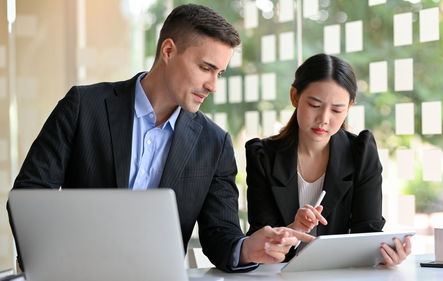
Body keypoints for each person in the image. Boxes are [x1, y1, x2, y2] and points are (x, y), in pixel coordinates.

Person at [10, 4, 313, 272]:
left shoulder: (214, 144)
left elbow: (220, 235)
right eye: (206, 68)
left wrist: (248, 249)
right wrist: (47, 264)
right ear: (168, 51)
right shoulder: (83, 107)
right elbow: (30, 194)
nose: (213, 86)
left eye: (219, 73)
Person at [245, 54, 411, 266]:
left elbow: (367, 233)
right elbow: (261, 239)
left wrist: (384, 256)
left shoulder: (361, 153)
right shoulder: (262, 156)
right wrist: (293, 230)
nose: (324, 119)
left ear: (349, 107)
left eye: (336, 110)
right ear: (294, 96)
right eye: (314, 105)